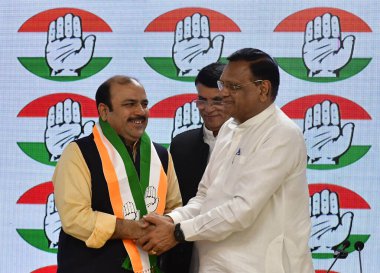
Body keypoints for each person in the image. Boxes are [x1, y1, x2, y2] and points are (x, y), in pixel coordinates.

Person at [137, 48, 314, 273]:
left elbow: (242, 210)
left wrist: (178, 232)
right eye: (224, 85)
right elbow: (205, 197)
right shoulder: (230, 128)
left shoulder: (281, 133)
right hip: (213, 264)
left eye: (234, 87)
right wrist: (171, 220)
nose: (225, 93)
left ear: (263, 89)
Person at [52, 75, 182, 273]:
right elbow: (75, 217)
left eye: (144, 104)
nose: (140, 112)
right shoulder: (79, 152)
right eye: (130, 104)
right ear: (104, 111)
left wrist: (167, 226)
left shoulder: (161, 154)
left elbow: (175, 208)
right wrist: (133, 228)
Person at [162, 62, 230, 273]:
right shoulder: (181, 144)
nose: (208, 109)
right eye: (202, 100)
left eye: (217, 100)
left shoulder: (251, 143)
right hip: (185, 255)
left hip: (232, 254)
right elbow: (175, 202)